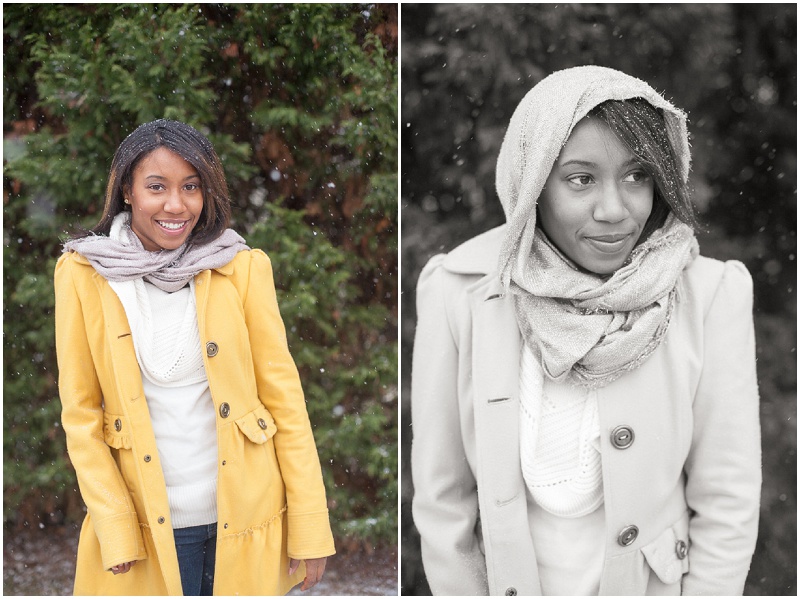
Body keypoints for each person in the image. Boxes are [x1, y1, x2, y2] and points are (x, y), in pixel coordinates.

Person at [411, 66, 761, 595]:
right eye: (581, 179)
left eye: (638, 176)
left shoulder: (709, 297)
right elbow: (443, 503)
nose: (615, 210)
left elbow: (727, 501)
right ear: (533, 183)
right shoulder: (457, 290)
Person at [55, 119, 335, 595]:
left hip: (247, 522)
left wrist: (309, 525)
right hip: (146, 530)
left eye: (191, 187)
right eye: (156, 187)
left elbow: (286, 403)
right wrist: (116, 525)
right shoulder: (84, 275)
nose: (175, 205)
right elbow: (81, 416)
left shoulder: (241, 268)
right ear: (127, 190)